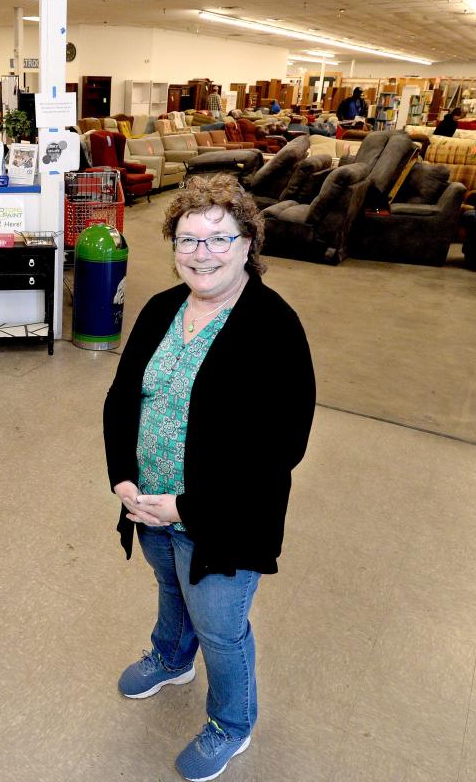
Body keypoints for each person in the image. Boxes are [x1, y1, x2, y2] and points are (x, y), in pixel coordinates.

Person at [103, 175, 316, 782]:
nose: (202, 253)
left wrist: (187, 508)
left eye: (219, 239)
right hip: (148, 503)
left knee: (220, 626)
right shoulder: (162, 307)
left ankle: (233, 720)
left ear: (249, 243)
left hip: (223, 519)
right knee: (171, 589)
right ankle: (171, 657)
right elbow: (123, 396)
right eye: (189, 240)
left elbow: (280, 448)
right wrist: (123, 477)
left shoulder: (273, 328)